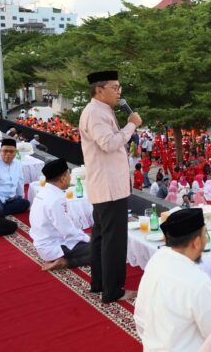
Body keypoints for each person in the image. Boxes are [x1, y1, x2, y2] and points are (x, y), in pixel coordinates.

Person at [134, 208, 211, 351]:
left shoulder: (156, 261)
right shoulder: (198, 283)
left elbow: (140, 319)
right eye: (205, 233)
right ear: (197, 242)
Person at [79, 70, 141, 303]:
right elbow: (109, 143)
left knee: (101, 236)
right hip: (109, 186)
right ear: (99, 90)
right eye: (115, 88)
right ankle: (113, 290)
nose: (119, 92)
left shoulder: (101, 111)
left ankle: (100, 283)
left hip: (106, 184)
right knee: (113, 240)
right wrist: (131, 126)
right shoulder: (95, 113)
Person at [29, 159, 91, 271]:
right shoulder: (55, 200)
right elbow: (67, 231)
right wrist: (87, 238)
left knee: (94, 239)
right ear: (63, 178)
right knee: (102, 249)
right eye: (69, 174)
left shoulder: (42, 193)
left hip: (43, 245)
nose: (70, 177)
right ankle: (66, 262)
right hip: (55, 247)